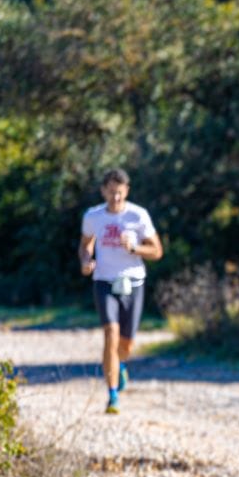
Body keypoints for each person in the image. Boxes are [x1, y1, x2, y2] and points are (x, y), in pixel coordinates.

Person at [78, 168, 164, 414]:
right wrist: (86, 261)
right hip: (104, 281)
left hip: (133, 282)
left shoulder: (138, 215)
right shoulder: (93, 216)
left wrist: (135, 248)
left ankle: (121, 365)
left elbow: (157, 251)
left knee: (126, 345)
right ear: (103, 191)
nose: (115, 197)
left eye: (119, 192)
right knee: (110, 334)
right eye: (111, 192)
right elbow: (85, 245)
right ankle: (112, 395)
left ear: (126, 191)